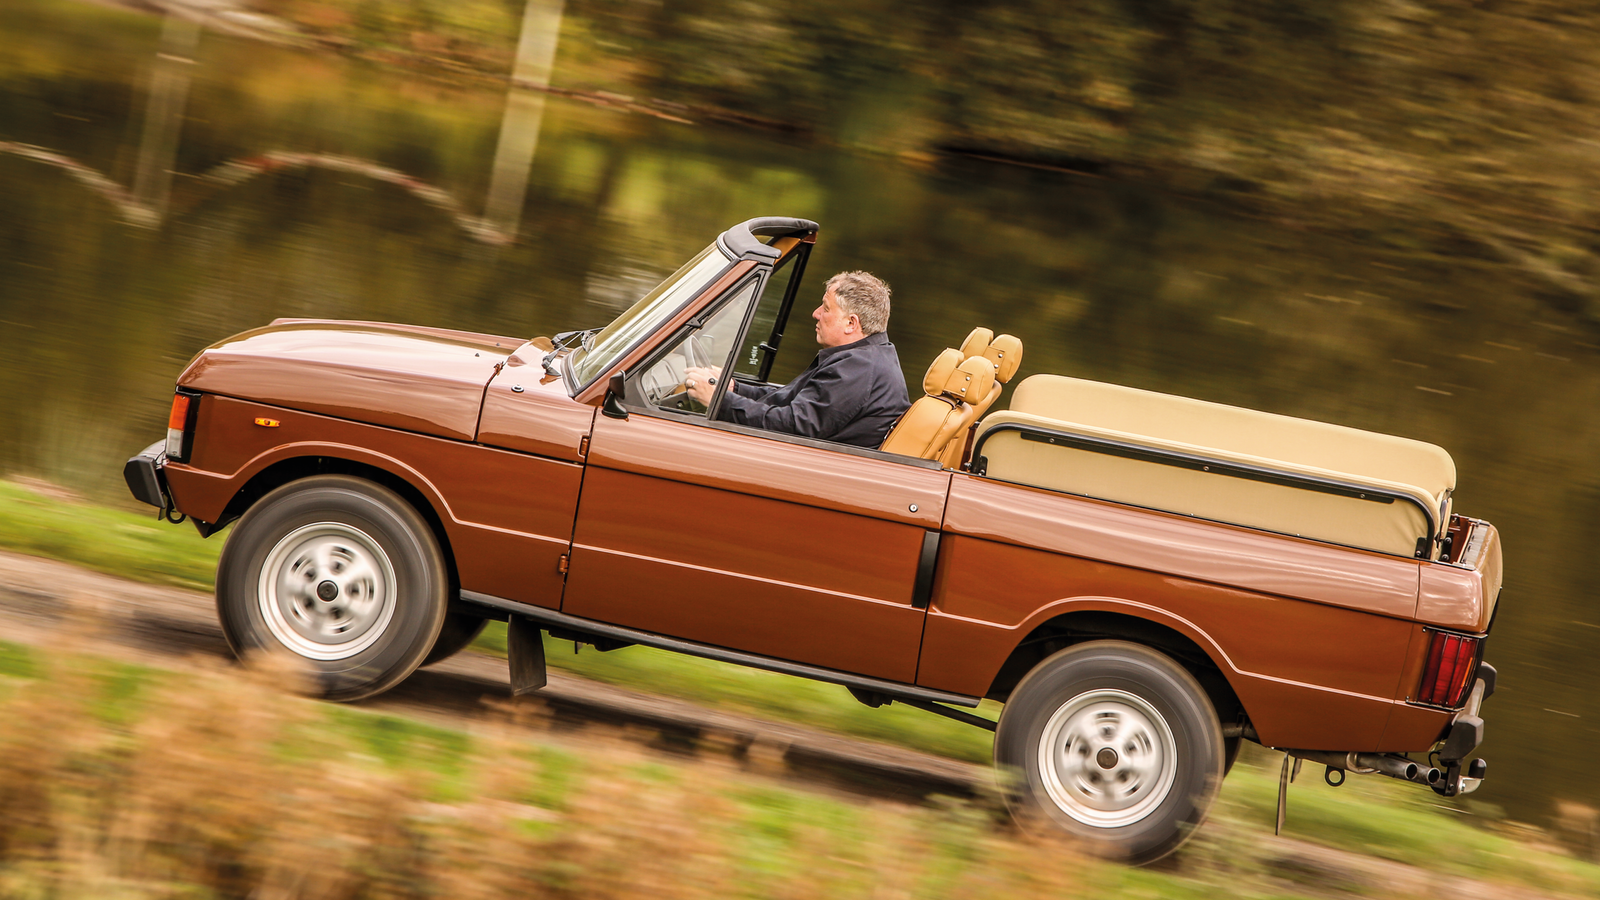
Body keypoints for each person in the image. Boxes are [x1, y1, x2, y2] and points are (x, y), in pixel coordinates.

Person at [684, 271, 910, 448]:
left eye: (826, 308)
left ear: (851, 323)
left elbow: (793, 427)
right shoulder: (867, 357)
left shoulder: (858, 368)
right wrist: (734, 387)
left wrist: (719, 400)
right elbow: (793, 399)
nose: (816, 313)